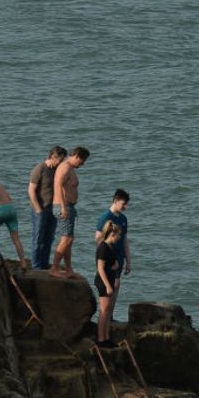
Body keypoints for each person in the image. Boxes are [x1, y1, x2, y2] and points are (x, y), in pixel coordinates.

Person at [50, 146, 90, 278]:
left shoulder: (69, 168)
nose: (82, 164)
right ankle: (54, 268)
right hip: (63, 206)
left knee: (69, 239)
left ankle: (68, 268)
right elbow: (58, 185)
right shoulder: (65, 167)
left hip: (68, 206)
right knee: (66, 239)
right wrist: (63, 207)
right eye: (82, 161)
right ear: (77, 156)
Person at [95, 189, 131, 327]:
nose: (125, 207)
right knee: (109, 287)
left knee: (116, 286)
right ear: (115, 201)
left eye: (127, 204)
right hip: (108, 259)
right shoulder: (105, 217)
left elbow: (125, 240)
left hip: (120, 258)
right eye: (123, 204)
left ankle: (110, 316)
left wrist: (129, 261)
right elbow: (98, 239)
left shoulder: (123, 219)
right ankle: (104, 318)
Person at [27, 146, 67, 269]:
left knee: (49, 238)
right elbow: (31, 190)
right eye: (61, 159)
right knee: (38, 238)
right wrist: (38, 208)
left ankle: (44, 264)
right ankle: (36, 266)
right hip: (40, 209)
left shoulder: (56, 170)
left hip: (52, 209)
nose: (62, 162)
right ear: (53, 157)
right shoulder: (39, 169)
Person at [94, 221, 123, 344]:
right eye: (118, 235)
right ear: (112, 234)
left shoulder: (110, 247)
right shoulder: (103, 247)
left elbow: (110, 264)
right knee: (104, 310)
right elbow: (100, 268)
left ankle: (106, 336)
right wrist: (107, 286)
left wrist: (115, 265)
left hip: (109, 280)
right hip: (103, 282)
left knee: (108, 310)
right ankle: (101, 339)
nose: (119, 238)